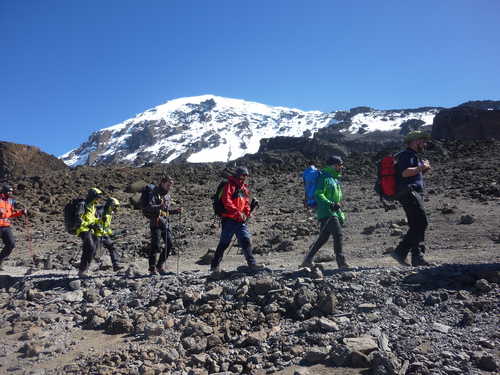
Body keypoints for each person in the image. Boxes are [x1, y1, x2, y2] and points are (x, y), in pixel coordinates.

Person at [388, 130, 432, 267]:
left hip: (410, 193)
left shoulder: (411, 155)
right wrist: (421, 167)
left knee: (417, 225)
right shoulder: (407, 155)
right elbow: (405, 173)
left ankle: (414, 256)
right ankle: (403, 252)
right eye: (423, 141)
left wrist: (422, 169)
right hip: (409, 193)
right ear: (415, 141)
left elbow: (409, 173)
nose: (425, 143)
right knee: (421, 223)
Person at [210, 166, 263, 276]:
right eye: (243, 175)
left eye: (246, 176)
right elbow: (226, 200)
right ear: (238, 174)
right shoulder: (230, 185)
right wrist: (238, 212)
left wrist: (247, 213)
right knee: (224, 243)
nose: (245, 177)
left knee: (245, 240)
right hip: (229, 219)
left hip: (240, 220)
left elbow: (246, 203)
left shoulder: (243, 188)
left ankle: (252, 264)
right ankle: (215, 266)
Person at [301, 156, 349, 270]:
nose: (341, 167)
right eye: (339, 165)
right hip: (326, 211)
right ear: (332, 165)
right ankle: (341, 263)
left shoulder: (334, 178)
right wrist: (330, 203)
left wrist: (337, 208)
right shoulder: (324, 177)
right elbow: (319, 193)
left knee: (323, 238)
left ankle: (307, 260)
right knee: (338, 234)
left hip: (332, 210)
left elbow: (335, 197)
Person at [142, 176, 182, 275]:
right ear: (162, 183)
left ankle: (159, 266)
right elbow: (148, 207)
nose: (170, 187)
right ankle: (152, 269)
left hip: (165, 222)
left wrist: (175, 211)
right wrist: (159, 206)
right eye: (168, 185)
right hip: (155, 221)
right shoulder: (153, 192)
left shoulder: (167, 196)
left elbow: (166, 211)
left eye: (171, 185)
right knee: (156, 245)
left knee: (170, 244)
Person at [76, 187, 104, 277]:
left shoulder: (92, 206)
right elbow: (78, 218)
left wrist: (97, 223)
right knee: (90, 247)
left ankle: (83, 269)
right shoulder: (83, 204)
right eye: (97, 197)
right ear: (92, 196)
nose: (98, 199)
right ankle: (82, 270)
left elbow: (93, 218)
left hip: (90, 229)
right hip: (83, 229)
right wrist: (88, 224)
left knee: (92, 248)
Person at [0, 185, 28, 271]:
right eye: (9, 191)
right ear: (4, 191)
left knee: (11, 244)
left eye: (11, 191)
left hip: (6, 226)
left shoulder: (10, 201)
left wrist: (21, 212)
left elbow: (11, 214)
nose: (11, 193)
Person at [95, 197, 123, 272]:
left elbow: (106, 227)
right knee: (92, 251)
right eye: (115, 206)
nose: (116, 208)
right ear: (111, 205)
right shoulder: (101, 211)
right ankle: (81, 266)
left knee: (111, 247)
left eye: (117, 207)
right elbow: (96, 223)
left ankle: (116, 265)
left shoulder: (108, 213)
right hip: (96, 234)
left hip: (103, 234)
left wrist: (115, 233)